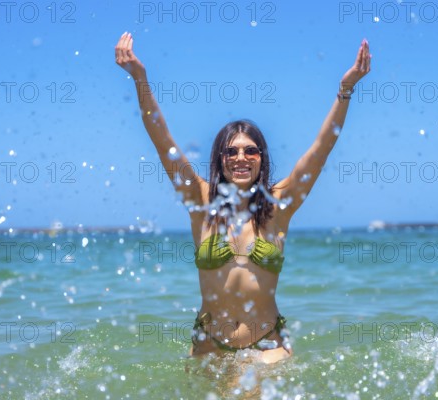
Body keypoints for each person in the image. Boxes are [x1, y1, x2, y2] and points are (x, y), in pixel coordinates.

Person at [115, 32, 371, 363]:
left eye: (251, 151)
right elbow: (161, 138)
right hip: (209, 346)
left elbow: (322, 149)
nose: (240, 158)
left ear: (262, 158)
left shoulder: (280, 203)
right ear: (219, 158)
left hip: (267, 346)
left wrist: (345, 90)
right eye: (231, 151)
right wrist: (141, 79)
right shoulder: (200, 199)